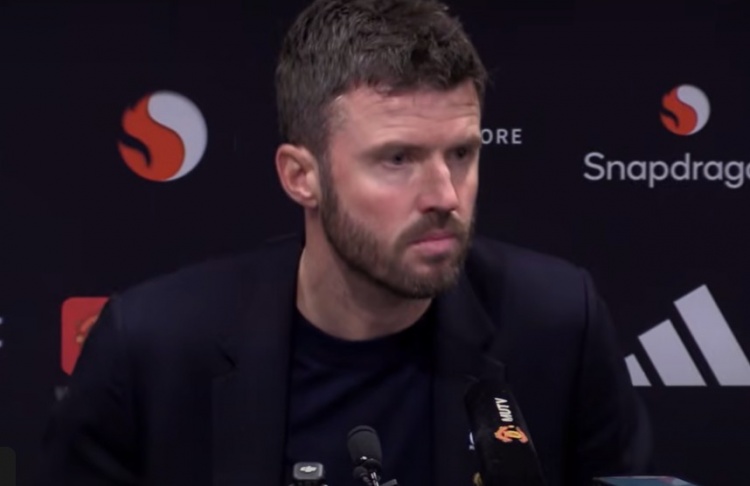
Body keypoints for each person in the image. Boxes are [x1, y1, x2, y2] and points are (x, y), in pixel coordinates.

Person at [36, 0, 653, 485]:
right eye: (397, 159)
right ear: (300, 176)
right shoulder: (151, 350)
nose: (445, 195)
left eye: (462, 154)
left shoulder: (557, 326)